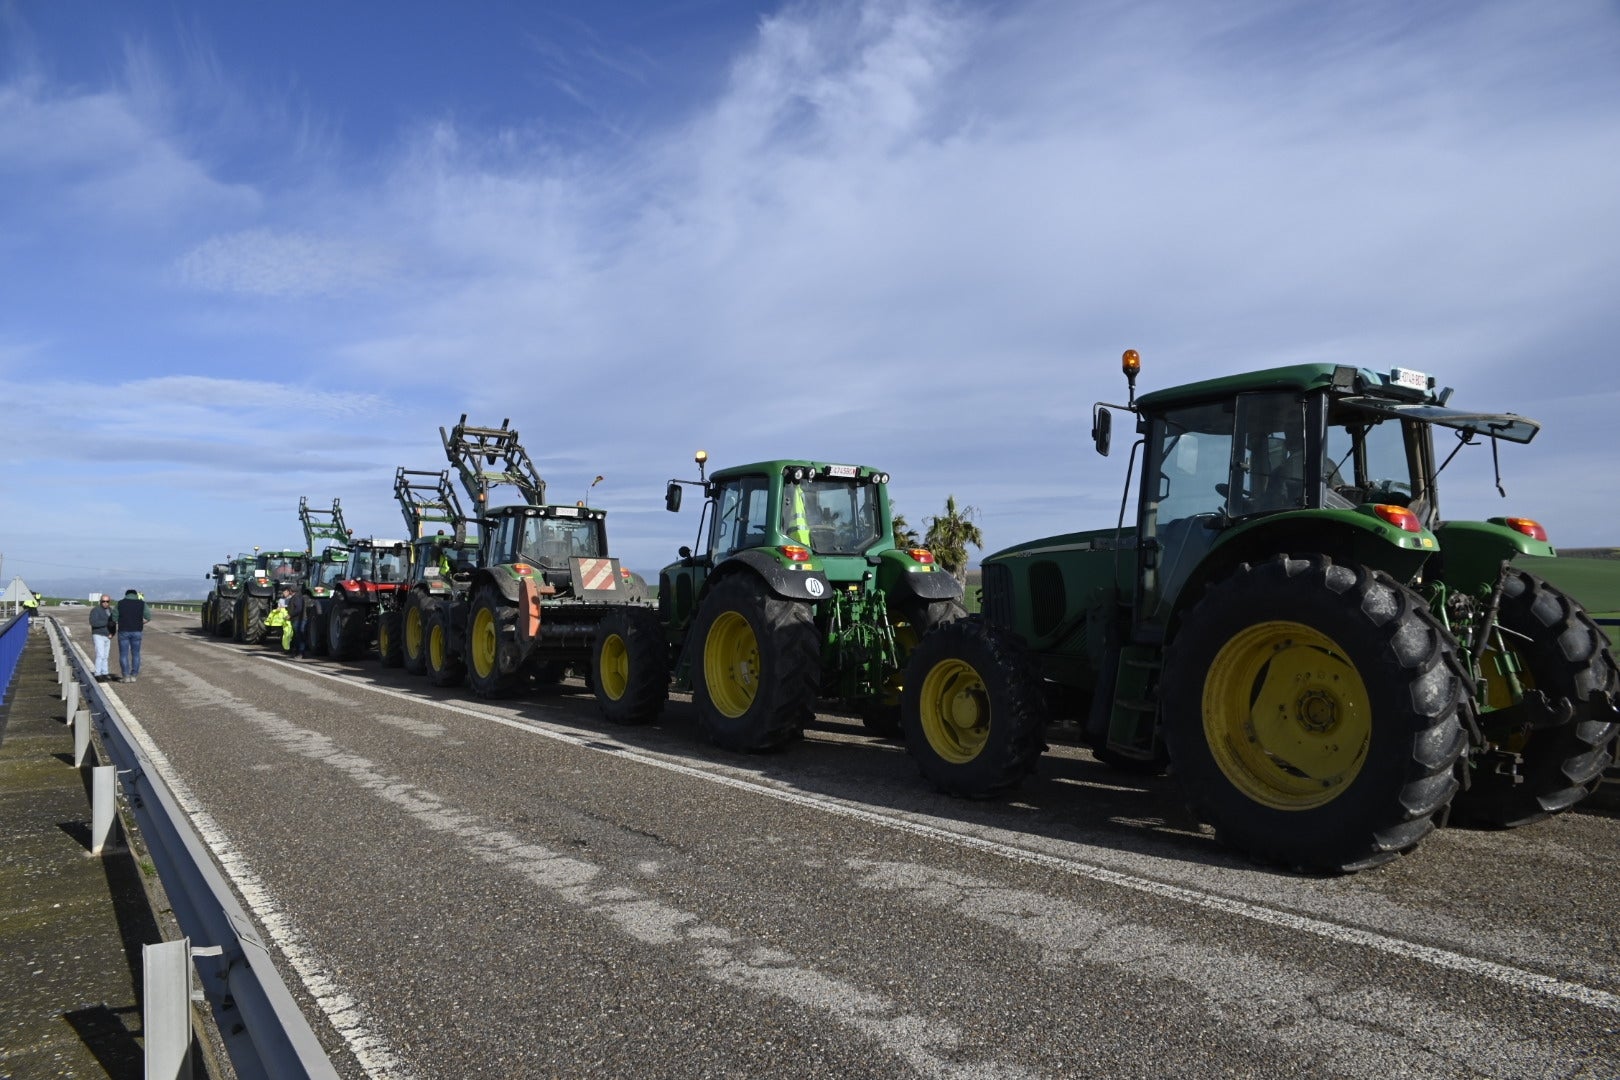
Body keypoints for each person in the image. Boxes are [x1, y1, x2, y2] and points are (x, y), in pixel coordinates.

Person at [115, 588, 151, 683]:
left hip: (123, 631)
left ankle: (126, 676)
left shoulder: (120, 603)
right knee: (136, 654)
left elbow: (114, 618)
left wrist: (120, 621)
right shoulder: (142, 603)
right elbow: (148, 616)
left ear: (126, 595)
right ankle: (134, 675)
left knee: (123, 654)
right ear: (136, 595)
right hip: (137, 631)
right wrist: (140, 622)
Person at [88, 595, 117, 681]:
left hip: (108, 636)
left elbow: (113, 623)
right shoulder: (95, 610)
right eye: (103, 601)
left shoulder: (110, 610)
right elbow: (93, 622)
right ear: (100, 602)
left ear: (109, 602)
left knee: (105, 656)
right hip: (98, 635)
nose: (105, 603)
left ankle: (105, 673)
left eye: (107, 601)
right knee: (100, 655)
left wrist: (112, 633)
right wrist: (107, 622)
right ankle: (98, 674)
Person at [288, 586, 312, 658]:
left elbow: (298, 608)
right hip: (297, 619)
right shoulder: (298, 597)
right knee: (298, 637)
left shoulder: (296, 597)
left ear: (291, 591)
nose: (288, 591)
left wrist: (290, 615)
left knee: (299, 637)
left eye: (289, 590)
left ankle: (300, 653)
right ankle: (298, 652)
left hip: (298, 619)